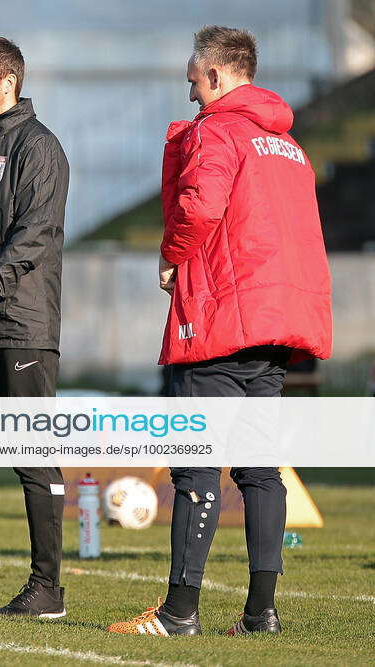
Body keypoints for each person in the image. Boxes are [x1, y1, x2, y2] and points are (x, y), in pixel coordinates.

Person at [108, 25, 332, 637]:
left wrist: (172, 254)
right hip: (276, 326)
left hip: (221, 321)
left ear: (213, 74)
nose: (189, 89)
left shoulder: (218, 131)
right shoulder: (289, 146)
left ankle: (179, 613)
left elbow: (200, 207)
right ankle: (262, 613)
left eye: (192, 79)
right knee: (261, 469)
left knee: (195, 467)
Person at [0, 35, 70, 619]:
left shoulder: (39, 147)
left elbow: (34, 237)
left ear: (10, 81)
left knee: (32, 455)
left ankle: (47, 588)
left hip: (21, 324)